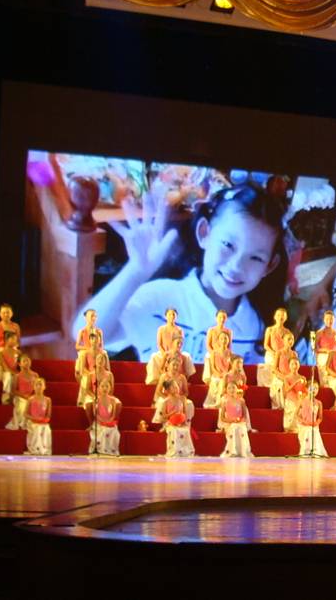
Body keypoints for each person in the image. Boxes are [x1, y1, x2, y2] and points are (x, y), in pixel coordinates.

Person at [72, 184, 290, 364]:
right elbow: (86, 337)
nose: (237, 266)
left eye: (256, 258)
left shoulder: (255, 325)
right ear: (204, 233)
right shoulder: (162, 297)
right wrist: (135, 271)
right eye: (228, 244)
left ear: (269, 267)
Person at [157, 382, 196, 458]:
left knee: (185, 430)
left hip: (181, 421)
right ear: (168, 390)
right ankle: (175, 451)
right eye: (173, 387)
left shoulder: (182, 398)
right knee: (174, 431)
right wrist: (171, 414)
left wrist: (182, 420)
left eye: (177, 386)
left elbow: (184, 411)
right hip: (171, 422)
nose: (176, 388)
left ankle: (185, 451)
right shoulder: (165, 401)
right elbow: (163, 416)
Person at [259, 307, 294, 382]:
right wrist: (274, 353)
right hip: (271, 354)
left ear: (285, 318)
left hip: (283, 355)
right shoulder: (270, 329)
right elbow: (266, 345)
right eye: (278, 315)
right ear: (275, 316)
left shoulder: (288, 332)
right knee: (270, 374)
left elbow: (289, 345)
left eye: (282, 315)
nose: (280, 317)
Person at [218, 385, 253, 458]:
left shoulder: (241, 401)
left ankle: (242, 451)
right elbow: (222, 418)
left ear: (237, 389)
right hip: (229, 423)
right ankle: (232, 450)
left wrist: (240, 420)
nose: (232, 390)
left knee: (241, 428)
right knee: (234, 427)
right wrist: (232, 420)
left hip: (240, 423)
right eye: (229, 388)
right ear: (226, 390)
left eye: (233, 388)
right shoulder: (225, 402)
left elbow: (244, 415)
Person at [90, 378, 122, 457]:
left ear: (110, 388)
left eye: (107, 386)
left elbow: (113, 415)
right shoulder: (96, 400)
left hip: (109, 422)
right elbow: (95, 414)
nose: (105, 388)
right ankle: (101, 450)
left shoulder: (113, 400)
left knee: (114, 432)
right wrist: (102, 421)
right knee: (103, 431)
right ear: (98, 388)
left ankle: (111, 451)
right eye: (102, 386)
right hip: (99, 422)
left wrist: (108, 421)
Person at [295, 381, 326, 457]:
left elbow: (320, 417)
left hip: (313, 425)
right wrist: (303, 421)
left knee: (313, 431)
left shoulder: (319, 403)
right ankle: (305, 452)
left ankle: (315, 451)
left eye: (316, 388)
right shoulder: (302, 400)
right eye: (312, 388)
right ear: (306, 389)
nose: (314, 390)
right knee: (307, 431)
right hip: (304, 425)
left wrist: (316, 423)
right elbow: (296, 414)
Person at [0, 304, 20, 372]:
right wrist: (3, 347)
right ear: (0, 314)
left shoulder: (16, 326)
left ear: (11, 313)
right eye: (4, 313)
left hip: (12, 349)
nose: (6, 314)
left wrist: (12, 347)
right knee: (0, 353)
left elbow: (18, 342)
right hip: (0, 350)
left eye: (8, 312)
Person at [7, 355, 36, 430]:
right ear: (20, 364)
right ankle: (22, 423)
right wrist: (24, 396)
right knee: (22, 405)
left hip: (31, 397)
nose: (27, 363)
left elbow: (37, 389)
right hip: (20, 397)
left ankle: (29, 424)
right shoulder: (17, 376)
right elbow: (13, 390)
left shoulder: (35, 375)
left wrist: (32, 396)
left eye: (28, 361)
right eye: (24, 361)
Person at [25, 378, 52, 456]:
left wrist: (44, 420)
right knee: (36, 428)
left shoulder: (48, 400)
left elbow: (48, 415)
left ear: (44, 387)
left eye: (41, 384)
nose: (39, 387)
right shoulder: (30, 399)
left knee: (46, 428)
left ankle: (44, 449)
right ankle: (35, 449)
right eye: (37, 384)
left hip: (43, 422)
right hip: (33, 422)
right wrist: (34, 419)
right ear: (34, 387)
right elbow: (25, 414)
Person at [0, 334, 22, 404]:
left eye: (16, 339)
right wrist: (14, 373)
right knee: (8, 376)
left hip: (15, 372)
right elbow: (5, 367)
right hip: (5, 373)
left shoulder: (18, 352)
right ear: (7, 340)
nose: (15, 341)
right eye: (13, 339)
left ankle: (15, 398)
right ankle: (6, 396)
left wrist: (17, 373)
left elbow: (20, 366)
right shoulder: (1, 353)